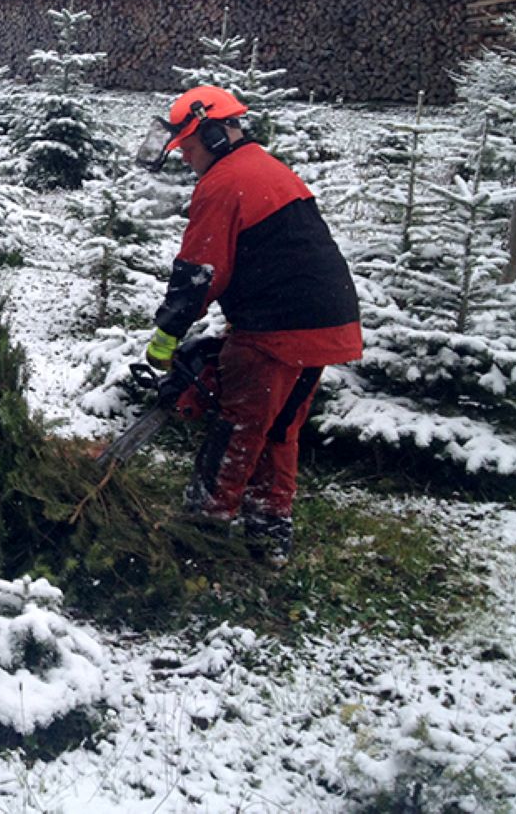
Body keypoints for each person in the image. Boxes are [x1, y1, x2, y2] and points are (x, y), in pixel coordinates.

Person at [136, 85, 362, 565]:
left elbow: (200, 272)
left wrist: (167, 337)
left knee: (236, 427)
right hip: (329, 324)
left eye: (190, 149)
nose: (188, 161)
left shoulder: (224, 182)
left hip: (278, 329)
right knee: (278, 429)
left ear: (215, 135)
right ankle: (268, 534)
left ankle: (203, 533)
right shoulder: (268, 168)